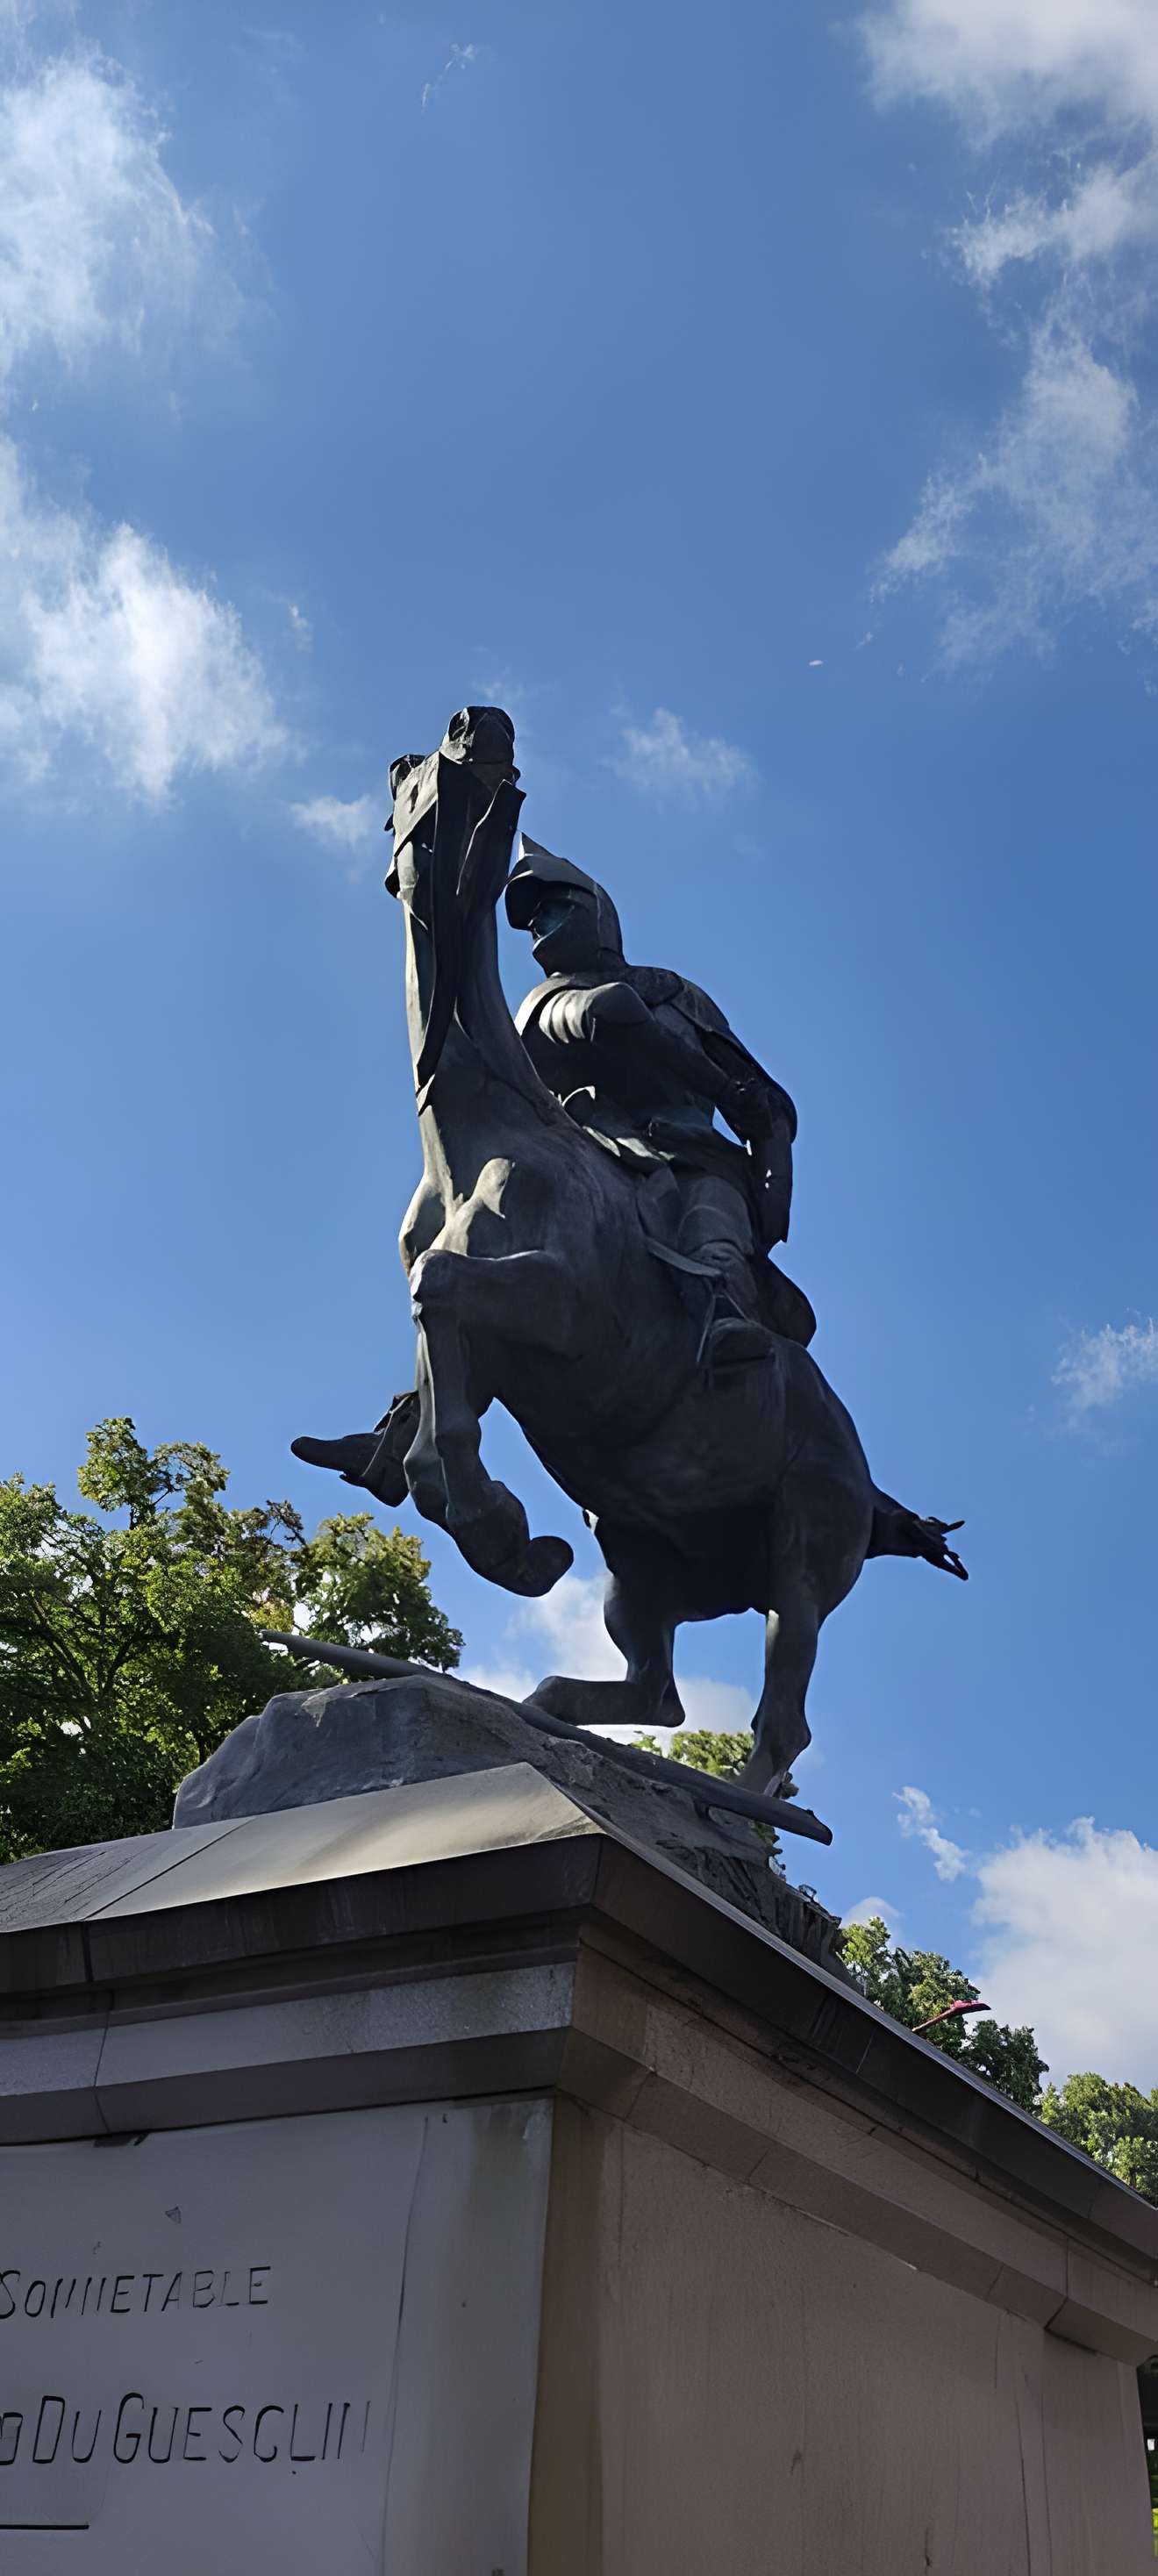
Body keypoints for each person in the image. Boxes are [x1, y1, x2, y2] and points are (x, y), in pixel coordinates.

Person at [505, 836, 814, 1364]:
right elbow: (585, 1018)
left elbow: (764, 1102)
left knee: (710, 1212)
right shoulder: (541, 1006)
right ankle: (430, 1398)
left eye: (550, 908)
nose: (537, 925)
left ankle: (724, 1312)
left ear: (591, 914)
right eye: (531, 918)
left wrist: (770, 1182)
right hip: (586, 1152)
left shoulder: (674, 993)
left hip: (687, 1152)